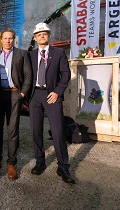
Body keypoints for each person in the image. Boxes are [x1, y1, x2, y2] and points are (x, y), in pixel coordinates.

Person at [29, 23, 75, 184]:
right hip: (35, 96)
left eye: (44, 33)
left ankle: (63, 166)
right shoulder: (31, 55)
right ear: (35, 38)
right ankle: (40, 161)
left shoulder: (59, 53)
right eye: (39, 34)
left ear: (49, 36)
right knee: (35, 130)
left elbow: (65, 74)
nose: (42, 36)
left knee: (58, 131)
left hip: (52, 95)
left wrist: (57, 91)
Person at [0, 28, 32, 180]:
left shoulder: (22, 54)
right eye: (5, 38)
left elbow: (28, 75)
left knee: (12, 129)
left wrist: (22, 93)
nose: (8, 41)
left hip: (15, 94)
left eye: (10, 38)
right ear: (1, 40)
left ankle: (11, 163)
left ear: (14, 39)